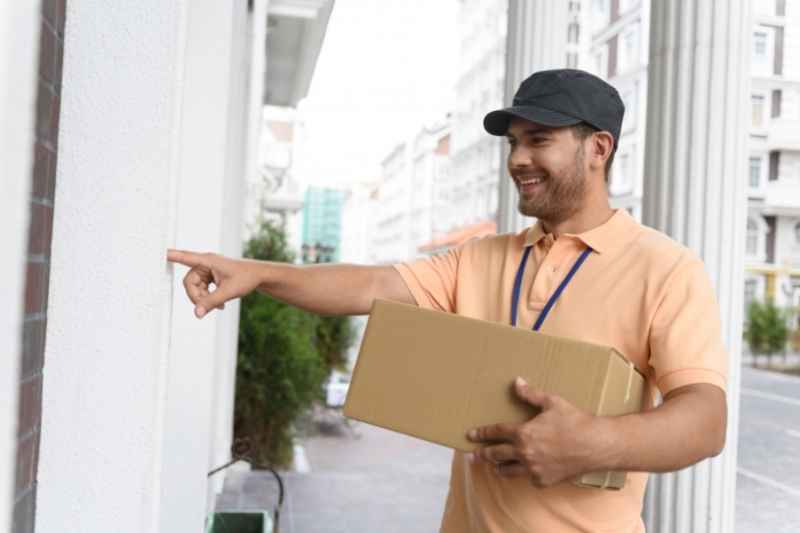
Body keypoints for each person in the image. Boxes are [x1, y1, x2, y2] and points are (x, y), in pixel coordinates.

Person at [168, 69, 727, 533]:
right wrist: (257, 273)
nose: (517, 159)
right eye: (514, 143)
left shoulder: (666, 268)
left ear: (597, 148)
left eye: (539, 140)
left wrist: (593, 444)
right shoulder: (480, 257)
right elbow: (367, 286)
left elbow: (705, 420)